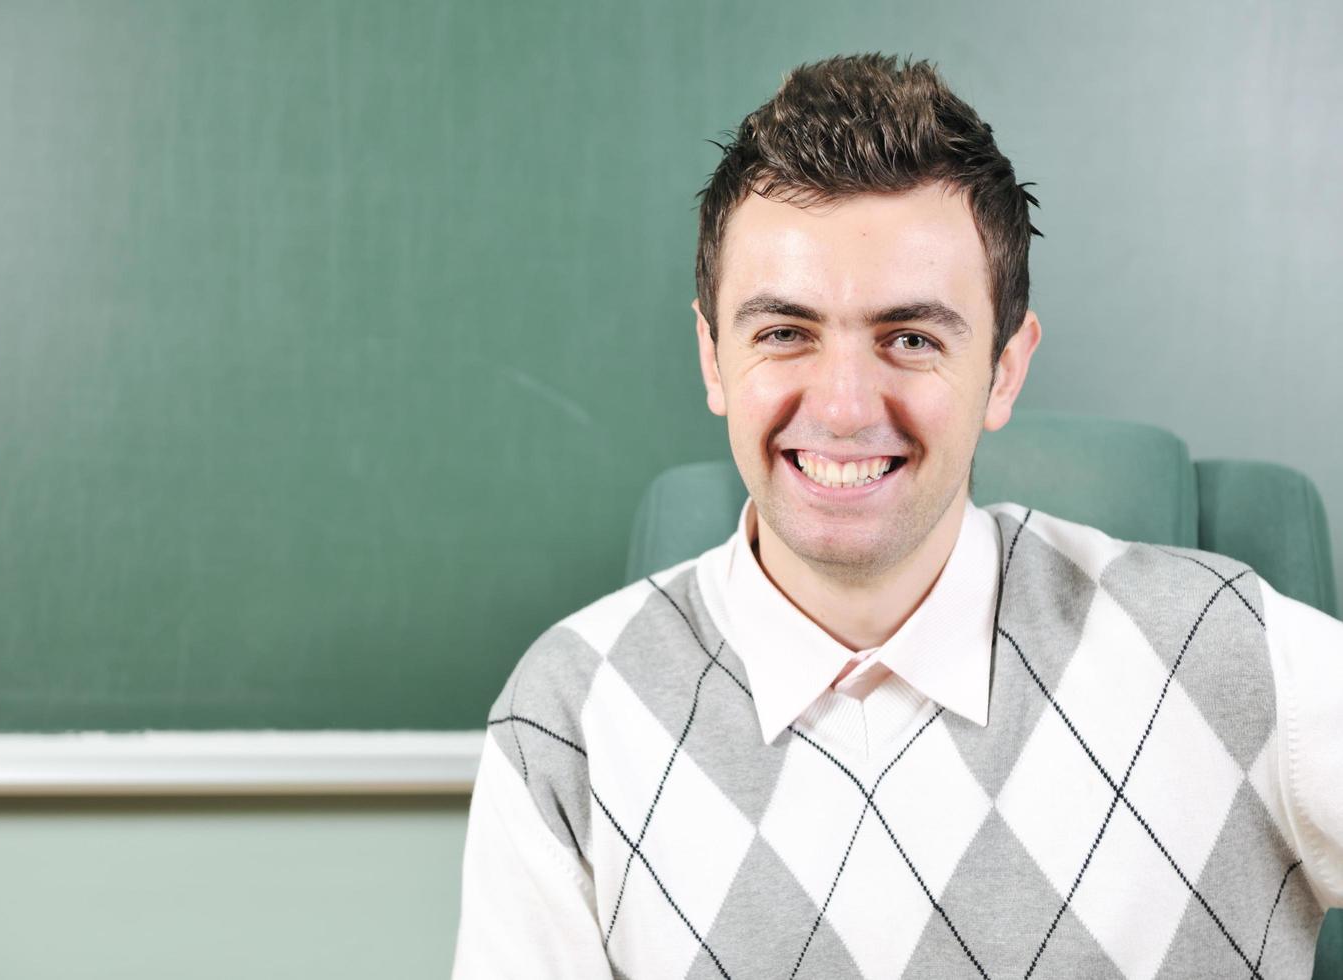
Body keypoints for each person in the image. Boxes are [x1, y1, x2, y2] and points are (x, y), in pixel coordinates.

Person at [451, 53, 1342, 979]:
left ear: (1003, 368)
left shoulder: (1225, 654)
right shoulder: (570, 718)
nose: (842, 407)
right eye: (784, 333)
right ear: (714, 361)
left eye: (910, 338)